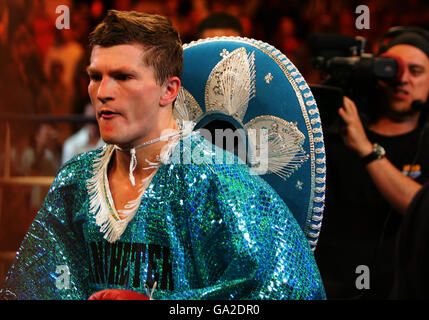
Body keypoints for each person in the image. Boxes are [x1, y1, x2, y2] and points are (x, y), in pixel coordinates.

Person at [0, 10, 325, 300]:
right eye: (95, 76)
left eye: (123, 77)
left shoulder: (220, 179)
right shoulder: (75, 178)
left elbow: (293, 290)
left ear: (169, 90)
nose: (102, 93)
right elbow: (31, 287)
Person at [315, 27, 429, 299]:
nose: (402, 79)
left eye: (415, 71)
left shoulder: (425, 143)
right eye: (390, 68)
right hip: (327, 285)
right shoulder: (339, 128)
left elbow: (421, 207)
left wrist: (366, 149)